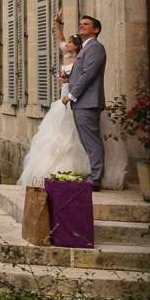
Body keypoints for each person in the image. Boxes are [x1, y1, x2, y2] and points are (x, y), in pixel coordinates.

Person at [18, 11, 90, 186]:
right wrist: (56, 22)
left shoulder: (80, 59)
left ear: (76, 46)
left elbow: (82, 77)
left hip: (73, 97)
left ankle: (78, 168)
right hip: (62, 96)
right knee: (54, 132)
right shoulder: (68, 57)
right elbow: (60, 40)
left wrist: (67, 79)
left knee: (71, 133)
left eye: (70, 44)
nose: (66, 45)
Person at [62, 16, 108, 190]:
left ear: (96, 30)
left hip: (88, 101)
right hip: (83, 102)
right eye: (80, 24)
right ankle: (94, 175)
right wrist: (68, 78)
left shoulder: (96, 47)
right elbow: (82, 72)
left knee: (92, 141)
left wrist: (71, 95)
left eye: (86, 24)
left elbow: (88, 74)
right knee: (87, 140)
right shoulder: (85, 48)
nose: (81, 26)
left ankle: (96, 179)